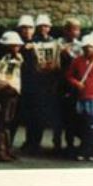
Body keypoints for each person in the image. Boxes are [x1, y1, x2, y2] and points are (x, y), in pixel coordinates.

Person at [21, 13, 59, 154]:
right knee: (31, 114)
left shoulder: (53, 41)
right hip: (33, 82)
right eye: (41, 26)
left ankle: (36, 142)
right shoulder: (33, 41)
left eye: (46, 26)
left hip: (46, 83)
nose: (44, 28)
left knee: (41, 115)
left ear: (50, 27)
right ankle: (29, 141)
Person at [65, 35, 93, 161]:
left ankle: (92, 150)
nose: (88, 49)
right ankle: (83, 149)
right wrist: (77, 83)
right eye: (86, 47)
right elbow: (69, 76)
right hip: (81, 96)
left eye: (90, 47)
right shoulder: (77, 61)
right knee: (82, 123)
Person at [0, 31, 24, 162]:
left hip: (11, 93)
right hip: (5, 93)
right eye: (15, 45)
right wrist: (8, 87)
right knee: (2, 123)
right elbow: (0, 78)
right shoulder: (5, 60)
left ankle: (6, 150)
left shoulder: (14, 58)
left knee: (7, 122)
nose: (18, 47)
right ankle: (0, 152)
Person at [54, 17, 83, 155]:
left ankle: (70, 143)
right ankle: (57, 143)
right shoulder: (58, 43)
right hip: (59, 82)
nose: (76, 32)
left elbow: (79, 63)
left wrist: (69, 54)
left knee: (71, 114)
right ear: (66, 30)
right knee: (58, 113)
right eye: (73, 29)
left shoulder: (80, 46)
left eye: (78, 29)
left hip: (72, 83)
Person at [11, 14, 36, 151]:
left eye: (30, 28)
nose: (27, 31)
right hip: (17, 85)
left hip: (33, 86)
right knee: (13, 116)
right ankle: (7, 145)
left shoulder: (38, 43)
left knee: (33, 116)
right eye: (24, 28)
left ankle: (31, 144)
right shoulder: (14, 43)